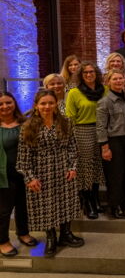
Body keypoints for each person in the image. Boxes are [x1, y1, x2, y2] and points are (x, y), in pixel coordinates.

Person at [17, 90, 84, 258]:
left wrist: (72, 167)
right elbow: (23, 157)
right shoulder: (28, 126)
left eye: (50, 103)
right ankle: (51, 237)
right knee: (46, 206)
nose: (47, 106)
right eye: (43, 103)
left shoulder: (66, 122)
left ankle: (66, 234)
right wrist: (30, 177)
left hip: (63, 169)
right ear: (36, 106)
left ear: (56, 105)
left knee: (66, 203)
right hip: (41, 171)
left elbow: (72, 147)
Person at [65, 62, 106, 220]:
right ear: (81, 76)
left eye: (92, 72)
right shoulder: (74, 93)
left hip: (102, 131)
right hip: (82, 132)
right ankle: (87, 201)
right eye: (85, 73)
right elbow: (70, 117)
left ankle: (95, 198)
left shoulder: (105, 90)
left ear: (96, 73)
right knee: (85, 167)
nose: (89, 75)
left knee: (97, 165)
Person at [96, 70, 125, 220]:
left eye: (121, 79)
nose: (119, 81)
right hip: (114, 141)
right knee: (115, 175)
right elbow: (100, 127)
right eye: (115, 79)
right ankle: (114, 206)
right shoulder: (105, 101)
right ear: (108, 82)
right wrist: (105, 148)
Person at [0, 92, 35, 257]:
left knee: (23, 206)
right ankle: (3, 241)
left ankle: (23, 233)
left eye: (8, 102)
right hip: (3, 175)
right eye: (1, 104)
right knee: (4, 210)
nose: (5, 107)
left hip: (23, 172)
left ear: (14, 103)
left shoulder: (24, 123)